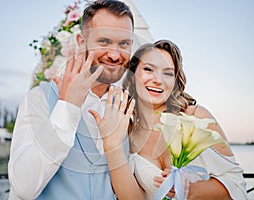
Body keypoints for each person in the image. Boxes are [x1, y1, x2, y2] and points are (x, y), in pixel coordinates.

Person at [90, 40, 248, 199]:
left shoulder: (195, 117)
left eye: (167, 73)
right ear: (132, 76)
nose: (158, 79)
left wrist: (189, 190)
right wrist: (112, 147)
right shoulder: (129, 136)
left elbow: (236, 184)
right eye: (148, 69)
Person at [7, 0, 134, 199]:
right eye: (104, 41)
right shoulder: (39, 99)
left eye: (124, 43)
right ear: (82, 42)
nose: (114, 54)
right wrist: (68, 107)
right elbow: (23, 187)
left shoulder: (126, 107)